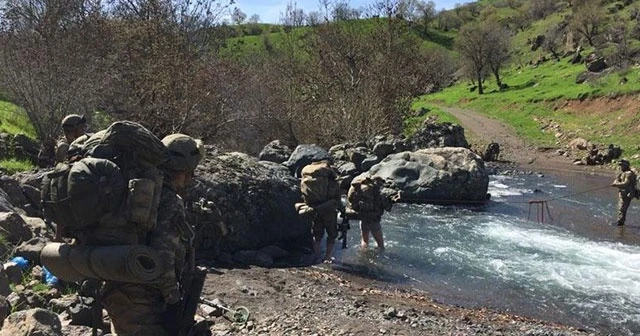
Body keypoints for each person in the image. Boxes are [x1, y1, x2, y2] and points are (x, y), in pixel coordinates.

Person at [102, 133, 204, 335]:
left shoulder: (136, 192)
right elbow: (163, 257)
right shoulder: (168, 200)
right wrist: (174, 301)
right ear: (185, 169)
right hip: (143, 300)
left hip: (115, 289)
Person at [299, 160, 343, 263]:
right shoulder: (333, 183)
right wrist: (342, 210)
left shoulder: (309, 179)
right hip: (329, 210)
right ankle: (327, 257)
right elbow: (337, 198)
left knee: (317, 233)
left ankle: (316, 255)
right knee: (332, 234)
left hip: (315, 208)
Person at [346, 176, 400, 250]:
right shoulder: (378, 192)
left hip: (363, 217)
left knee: (364, 241)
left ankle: (363, 256)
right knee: (381, 245)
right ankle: (380, 259)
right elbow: (387, 207)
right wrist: (394, 200)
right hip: (374, 219)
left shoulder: (361, 189)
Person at [610, 159, 636, 226]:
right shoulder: (621, 172)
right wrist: (615, 182)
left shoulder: (629, 173)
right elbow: (617, 179)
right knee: (620, 207)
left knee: (622, 208)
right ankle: (620, 222)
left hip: (628, 194)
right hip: (622, 193)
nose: (621, 167)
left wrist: (616, 184)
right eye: (620, 165)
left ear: (626, 165)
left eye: (622, 165)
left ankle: (620, 222)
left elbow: (625, 183)